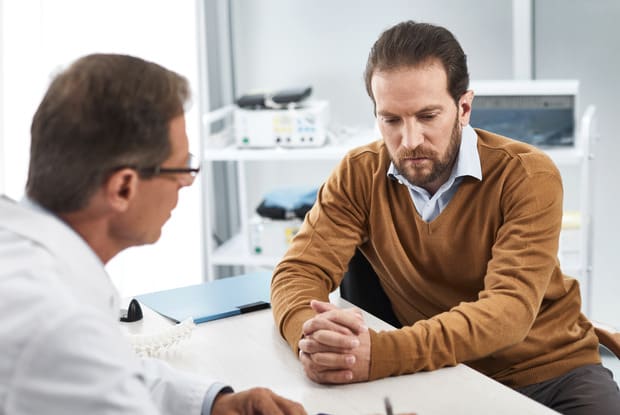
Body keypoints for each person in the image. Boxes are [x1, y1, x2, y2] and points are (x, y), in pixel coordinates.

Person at [270, 21, 620, 414]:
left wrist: (379, 353)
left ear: (464, 108)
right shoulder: (357, 173)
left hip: (549, 372)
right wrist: (314, 338)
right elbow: (298, 271)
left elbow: (508, 312)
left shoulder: (526, 175)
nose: (410, 140)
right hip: (439, 372)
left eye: (427, 116)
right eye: (391, 120)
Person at [0, 53, 306, 415]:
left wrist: (214, 403)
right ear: (123, 188)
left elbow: (113, 369)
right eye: (182, 167)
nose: (186, 183)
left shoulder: (24, 255)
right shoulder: (59, 321)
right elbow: (89, 366)